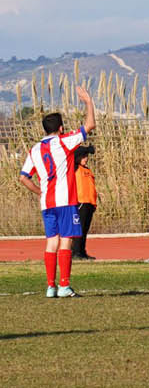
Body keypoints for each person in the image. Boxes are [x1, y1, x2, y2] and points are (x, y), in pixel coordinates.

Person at [18, 85, 97, 297]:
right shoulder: (63, 142)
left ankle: (50, 287)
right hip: (65, 201)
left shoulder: (35, 149)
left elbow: (23, 177)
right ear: (61, 128)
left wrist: (39, 192)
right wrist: (88, 102)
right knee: (66, 240)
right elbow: (90, 125)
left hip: (47, 203)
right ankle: (64, 286)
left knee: (51, 241)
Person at [73, 146, 99, 260]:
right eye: (83, 157)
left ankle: (82, 252)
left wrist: (93, 203)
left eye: (86, 156)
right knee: (79, 229)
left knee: (85, 229)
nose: (86, 159)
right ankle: (76, 252)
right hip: (80, 202)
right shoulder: (74, 169)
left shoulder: (87, 170)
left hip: (89, 203)